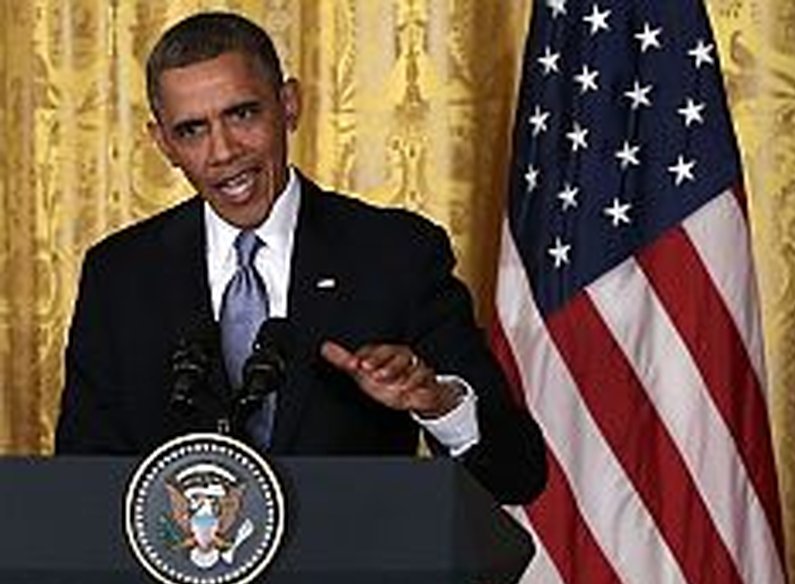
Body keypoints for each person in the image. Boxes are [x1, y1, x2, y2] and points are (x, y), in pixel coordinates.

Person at [54, 11, 546, 505]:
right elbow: (81, 483)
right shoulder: (120, 274)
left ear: (289, 105)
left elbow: (518, 473)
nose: (222, 151)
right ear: (163, 143)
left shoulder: (394, 254)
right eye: (191, 130)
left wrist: (438, 404)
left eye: (242, 114)